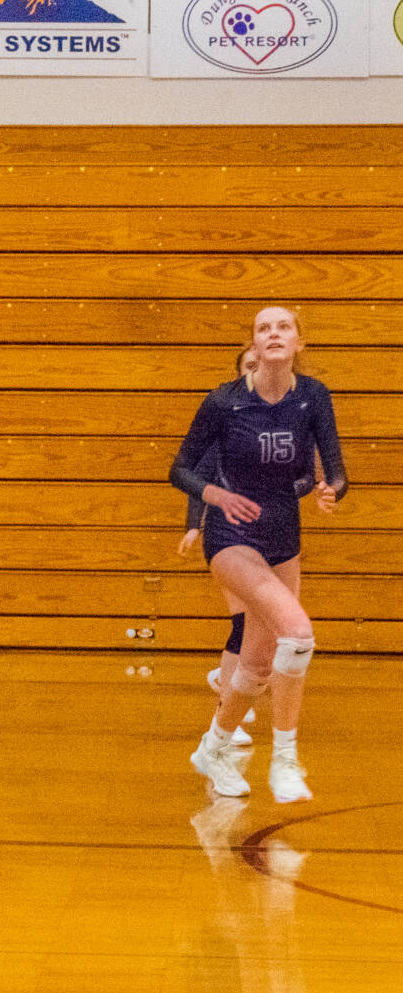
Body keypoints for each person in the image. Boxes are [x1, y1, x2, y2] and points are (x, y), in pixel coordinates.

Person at [170, 308, 347, 803]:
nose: (273, 334)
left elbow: (335, 468)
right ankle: (285, 758)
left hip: (284, 537)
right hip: (232, 535)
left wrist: (332, 490)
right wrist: (214, 499)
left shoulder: (313, 397)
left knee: (258, 666)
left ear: (298, 343)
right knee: (298, 632)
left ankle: (215, 746)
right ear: (253, 344)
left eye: (283, 327)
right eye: (263, 328)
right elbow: (181, 468)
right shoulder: (224, 403)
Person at [177, 346, 261, 747]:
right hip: (227, 535)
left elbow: (301, 477)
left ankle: (226, 681)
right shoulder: (226, 418)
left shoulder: (287, 420)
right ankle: (225, 711)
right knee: (245, 623)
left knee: (263, 627)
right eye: (250, 366)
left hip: (268, 535)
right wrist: (194, 525)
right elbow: (199, 474)